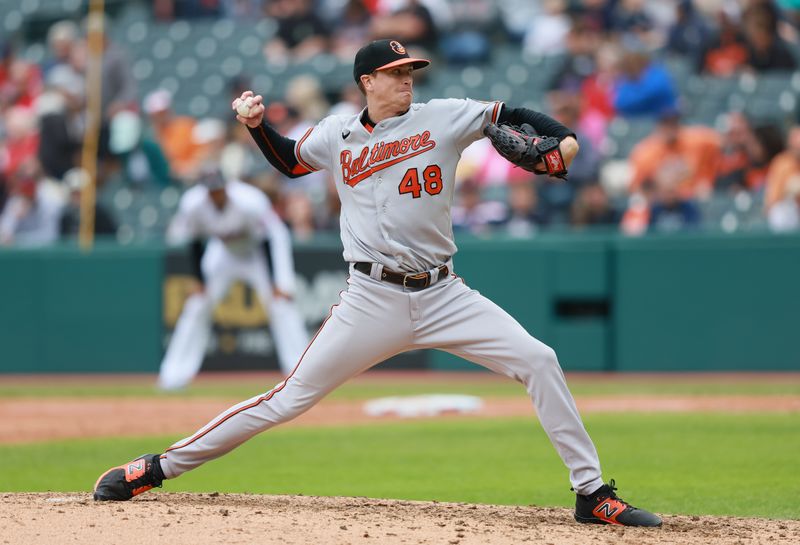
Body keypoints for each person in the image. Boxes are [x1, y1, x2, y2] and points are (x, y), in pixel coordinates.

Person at [93, 39, 661, 528]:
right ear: (367, 80)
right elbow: (292, 161)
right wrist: (258, 127)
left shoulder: (445, 115)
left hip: (444, 294)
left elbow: (512, 112)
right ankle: (156, 468)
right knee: (288, 398)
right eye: (395, 74)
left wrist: (561, 139)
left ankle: (593, 495)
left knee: (539, 360)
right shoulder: (337, 133)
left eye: (410, 72)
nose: (407, 81)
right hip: (371, 296)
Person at [155, 166, 309, 390]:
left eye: (218, 189)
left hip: (259, 251)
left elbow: (271, 238)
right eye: (211, 190)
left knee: (281, 305)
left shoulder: (249, 201)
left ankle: (301, 374)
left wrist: (278, 282)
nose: (215, 194)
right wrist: (199, 281)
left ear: (226, 186)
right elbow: (194, 242)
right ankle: (173, 377)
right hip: (224, 252)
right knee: (197, 305)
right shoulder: (193, 203)